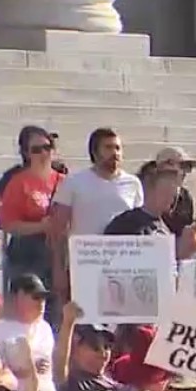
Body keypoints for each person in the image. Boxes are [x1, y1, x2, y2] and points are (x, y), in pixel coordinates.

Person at [49, 127, 143, 301]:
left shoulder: (133, 183)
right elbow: (58, 229)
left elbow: (140, 225)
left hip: (122, 267)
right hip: (85, 264)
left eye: (118, 148)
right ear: (95, 152)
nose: (115, 153)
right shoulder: (74, 182)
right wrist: (58, 269)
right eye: (108, 148)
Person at [0, 126, 63, 316]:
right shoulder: (19, 182)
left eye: (47, 147)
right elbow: (8, 223)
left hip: (57, 254)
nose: (43, 153)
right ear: (26, 153)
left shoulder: (65, 181)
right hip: (27, 255)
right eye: (36, 149)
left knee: (55, 312)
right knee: (26, 312)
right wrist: (42, 226)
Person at [0, 273, 61, 391]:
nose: (41, 303)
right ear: (18, 297)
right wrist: (18, 368)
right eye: (36, 297)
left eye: (43, 298)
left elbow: (46, 365)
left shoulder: (45, 329)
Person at [105, 168, 196, 258]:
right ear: (149, 190)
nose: (172, 198)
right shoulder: (125, 224)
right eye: (166, 191)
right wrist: (179, 253)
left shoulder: (164, 226)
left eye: (174, 193)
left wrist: (186, 249)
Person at [150, 146, 196, 235]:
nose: (184, 173)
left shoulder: (186, 197)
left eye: (187, 168)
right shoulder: (149, 195)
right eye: (182, 166)